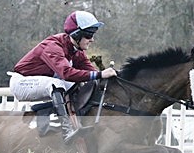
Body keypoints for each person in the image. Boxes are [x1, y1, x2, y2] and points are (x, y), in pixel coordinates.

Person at [9, 10, 117, 143]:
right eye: (89, 35)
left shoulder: (76, 50)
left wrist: (110, 76)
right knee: (57, 84)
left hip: (41, 81)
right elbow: (66, 73)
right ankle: (67, 131)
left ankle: (68, 118)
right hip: (22, 83)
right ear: (77, 34)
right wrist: (100, 74)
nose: (92, 40)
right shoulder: (53, 46)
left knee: (80, 84)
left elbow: (90, 72)